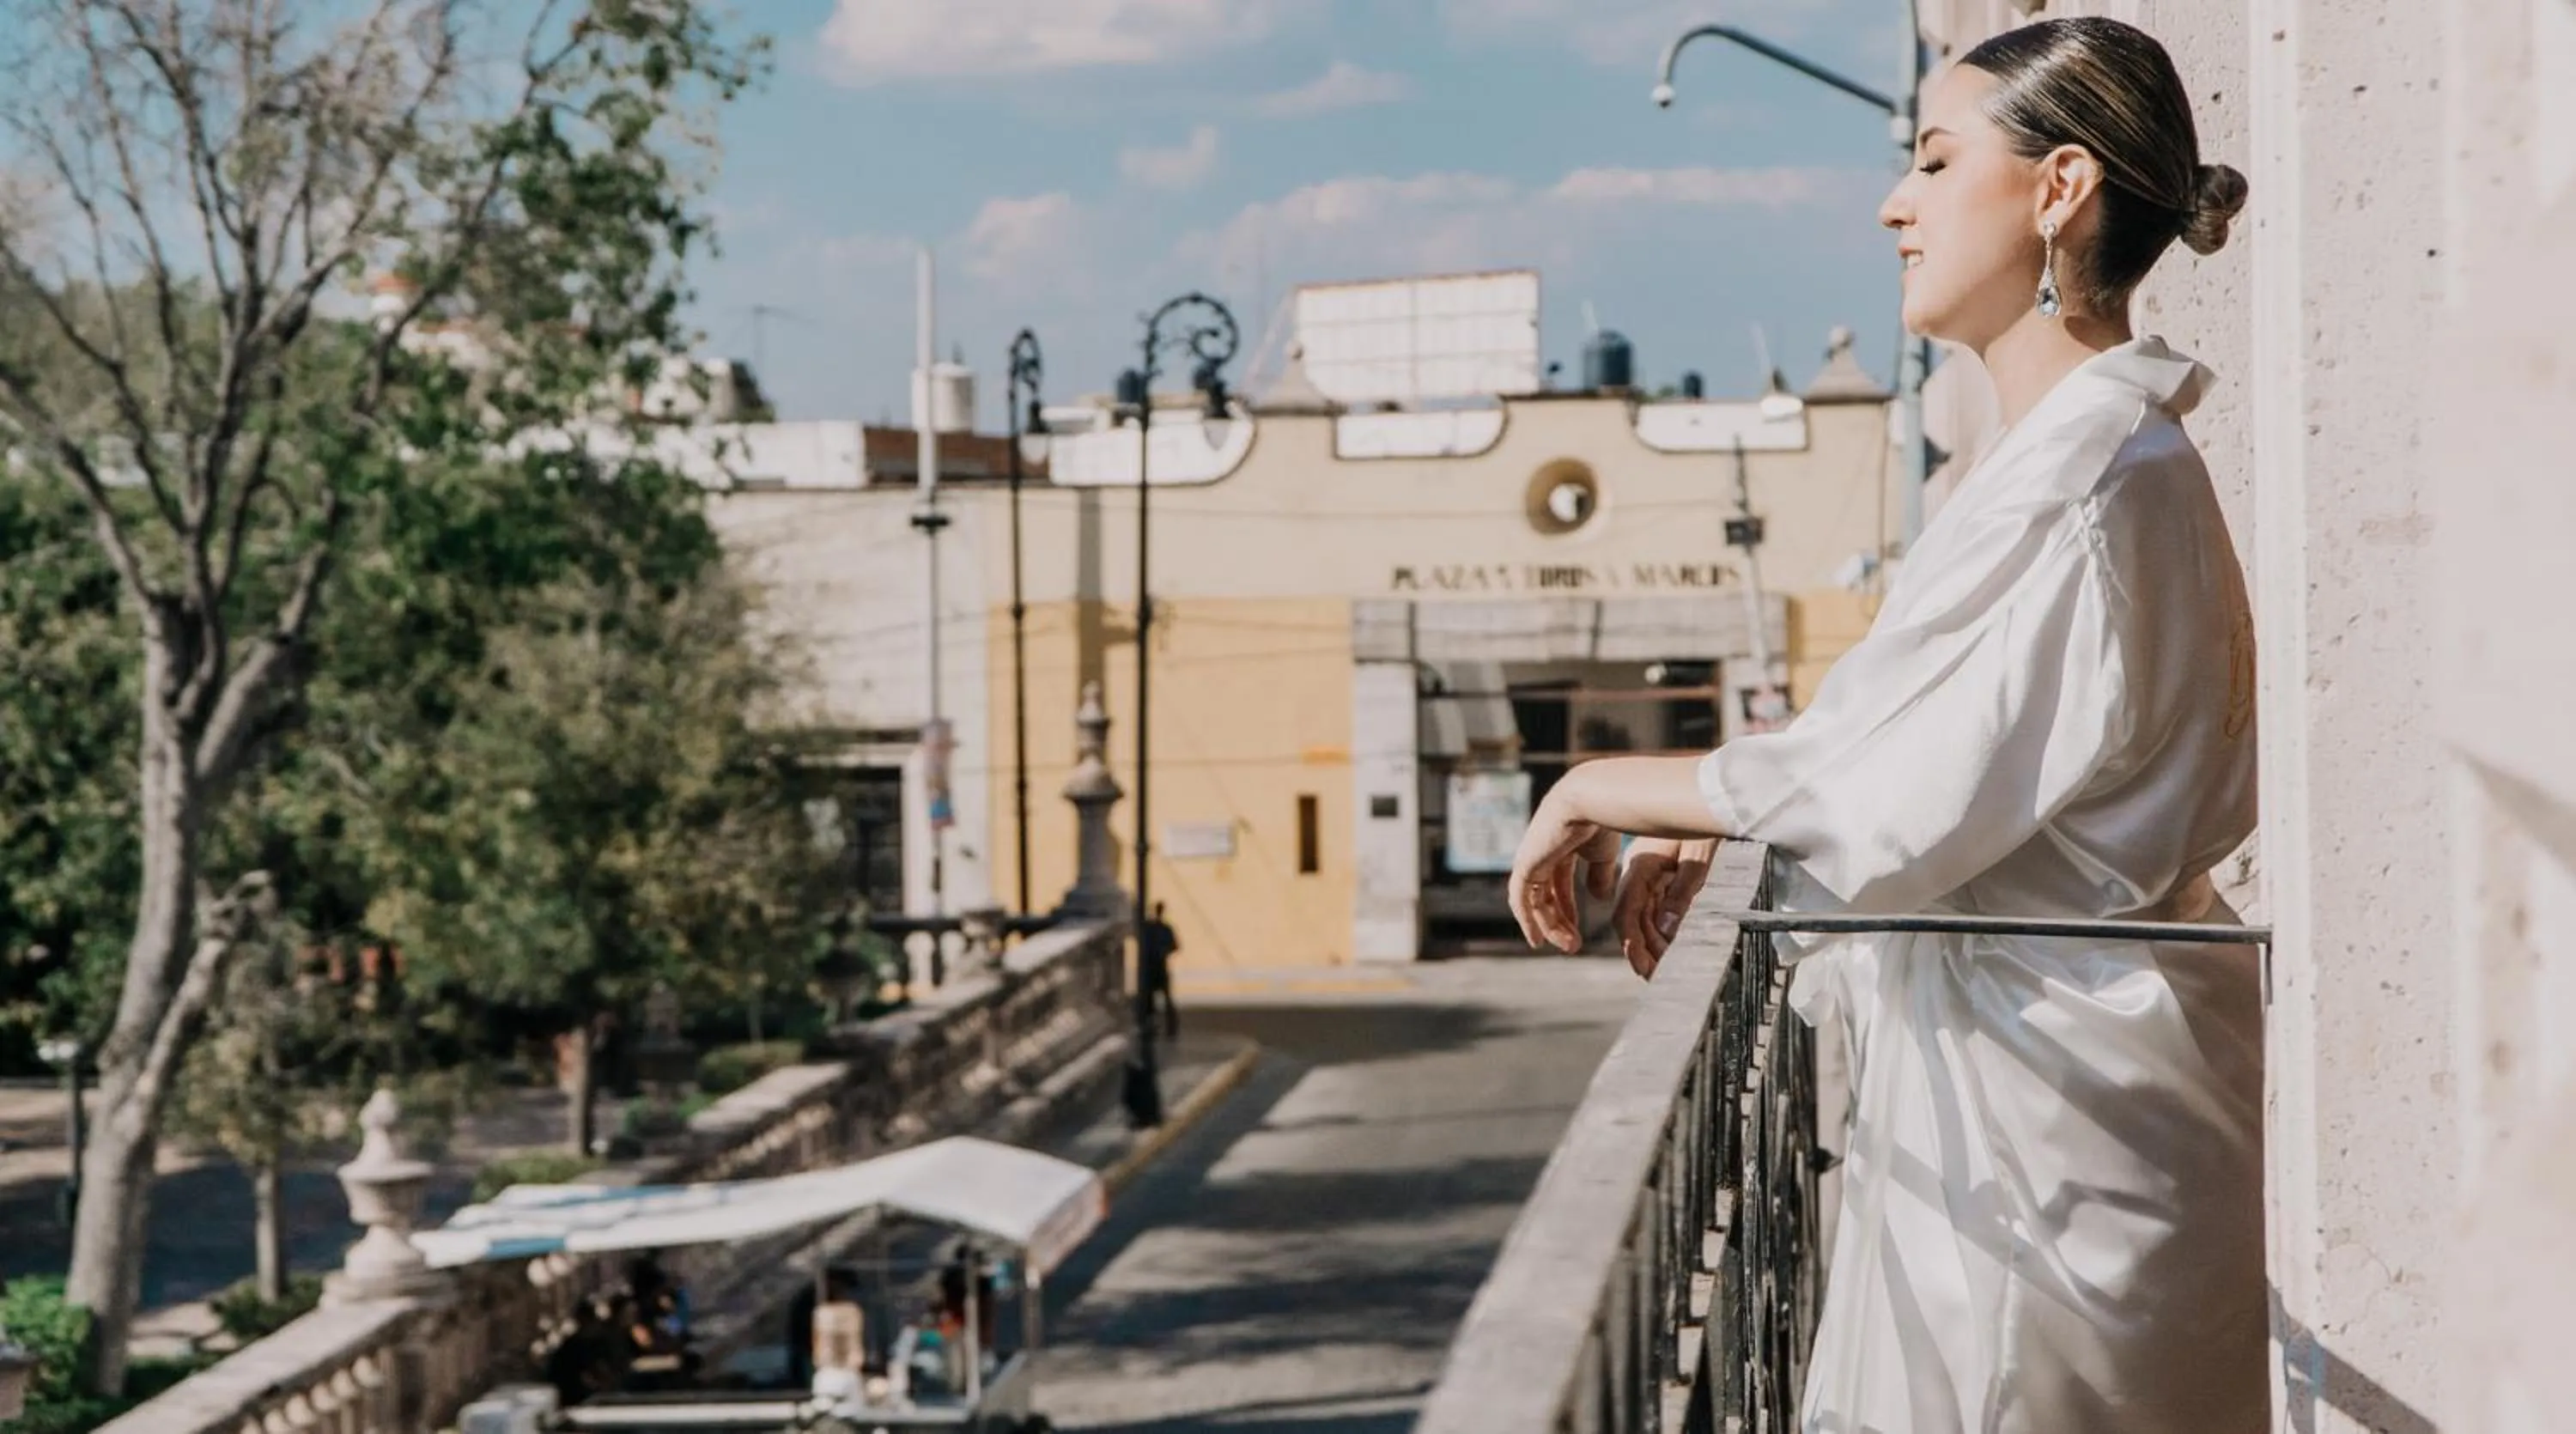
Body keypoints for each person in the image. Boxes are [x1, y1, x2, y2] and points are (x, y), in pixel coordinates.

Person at [1506, 18, 2263, 1434]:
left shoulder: (2086, 473)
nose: (1893, 203)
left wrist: (1602, 785)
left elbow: (1885, 786)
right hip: (2060, 1099)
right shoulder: (2090, 457)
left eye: (1931, 159)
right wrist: (1731, 827)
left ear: (2060, 189)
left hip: (2050, 1143)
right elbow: (1932, 765)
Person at [1139, 902, 1181, 1039]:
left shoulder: (1158, 929)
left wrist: (1163, 951)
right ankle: (1154, 1027)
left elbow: (1175, 946)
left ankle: (1168, 1027)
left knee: (1162, 998)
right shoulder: (1154, 928)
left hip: (1158, 967)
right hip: (1153, 967)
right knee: (1152, 999)